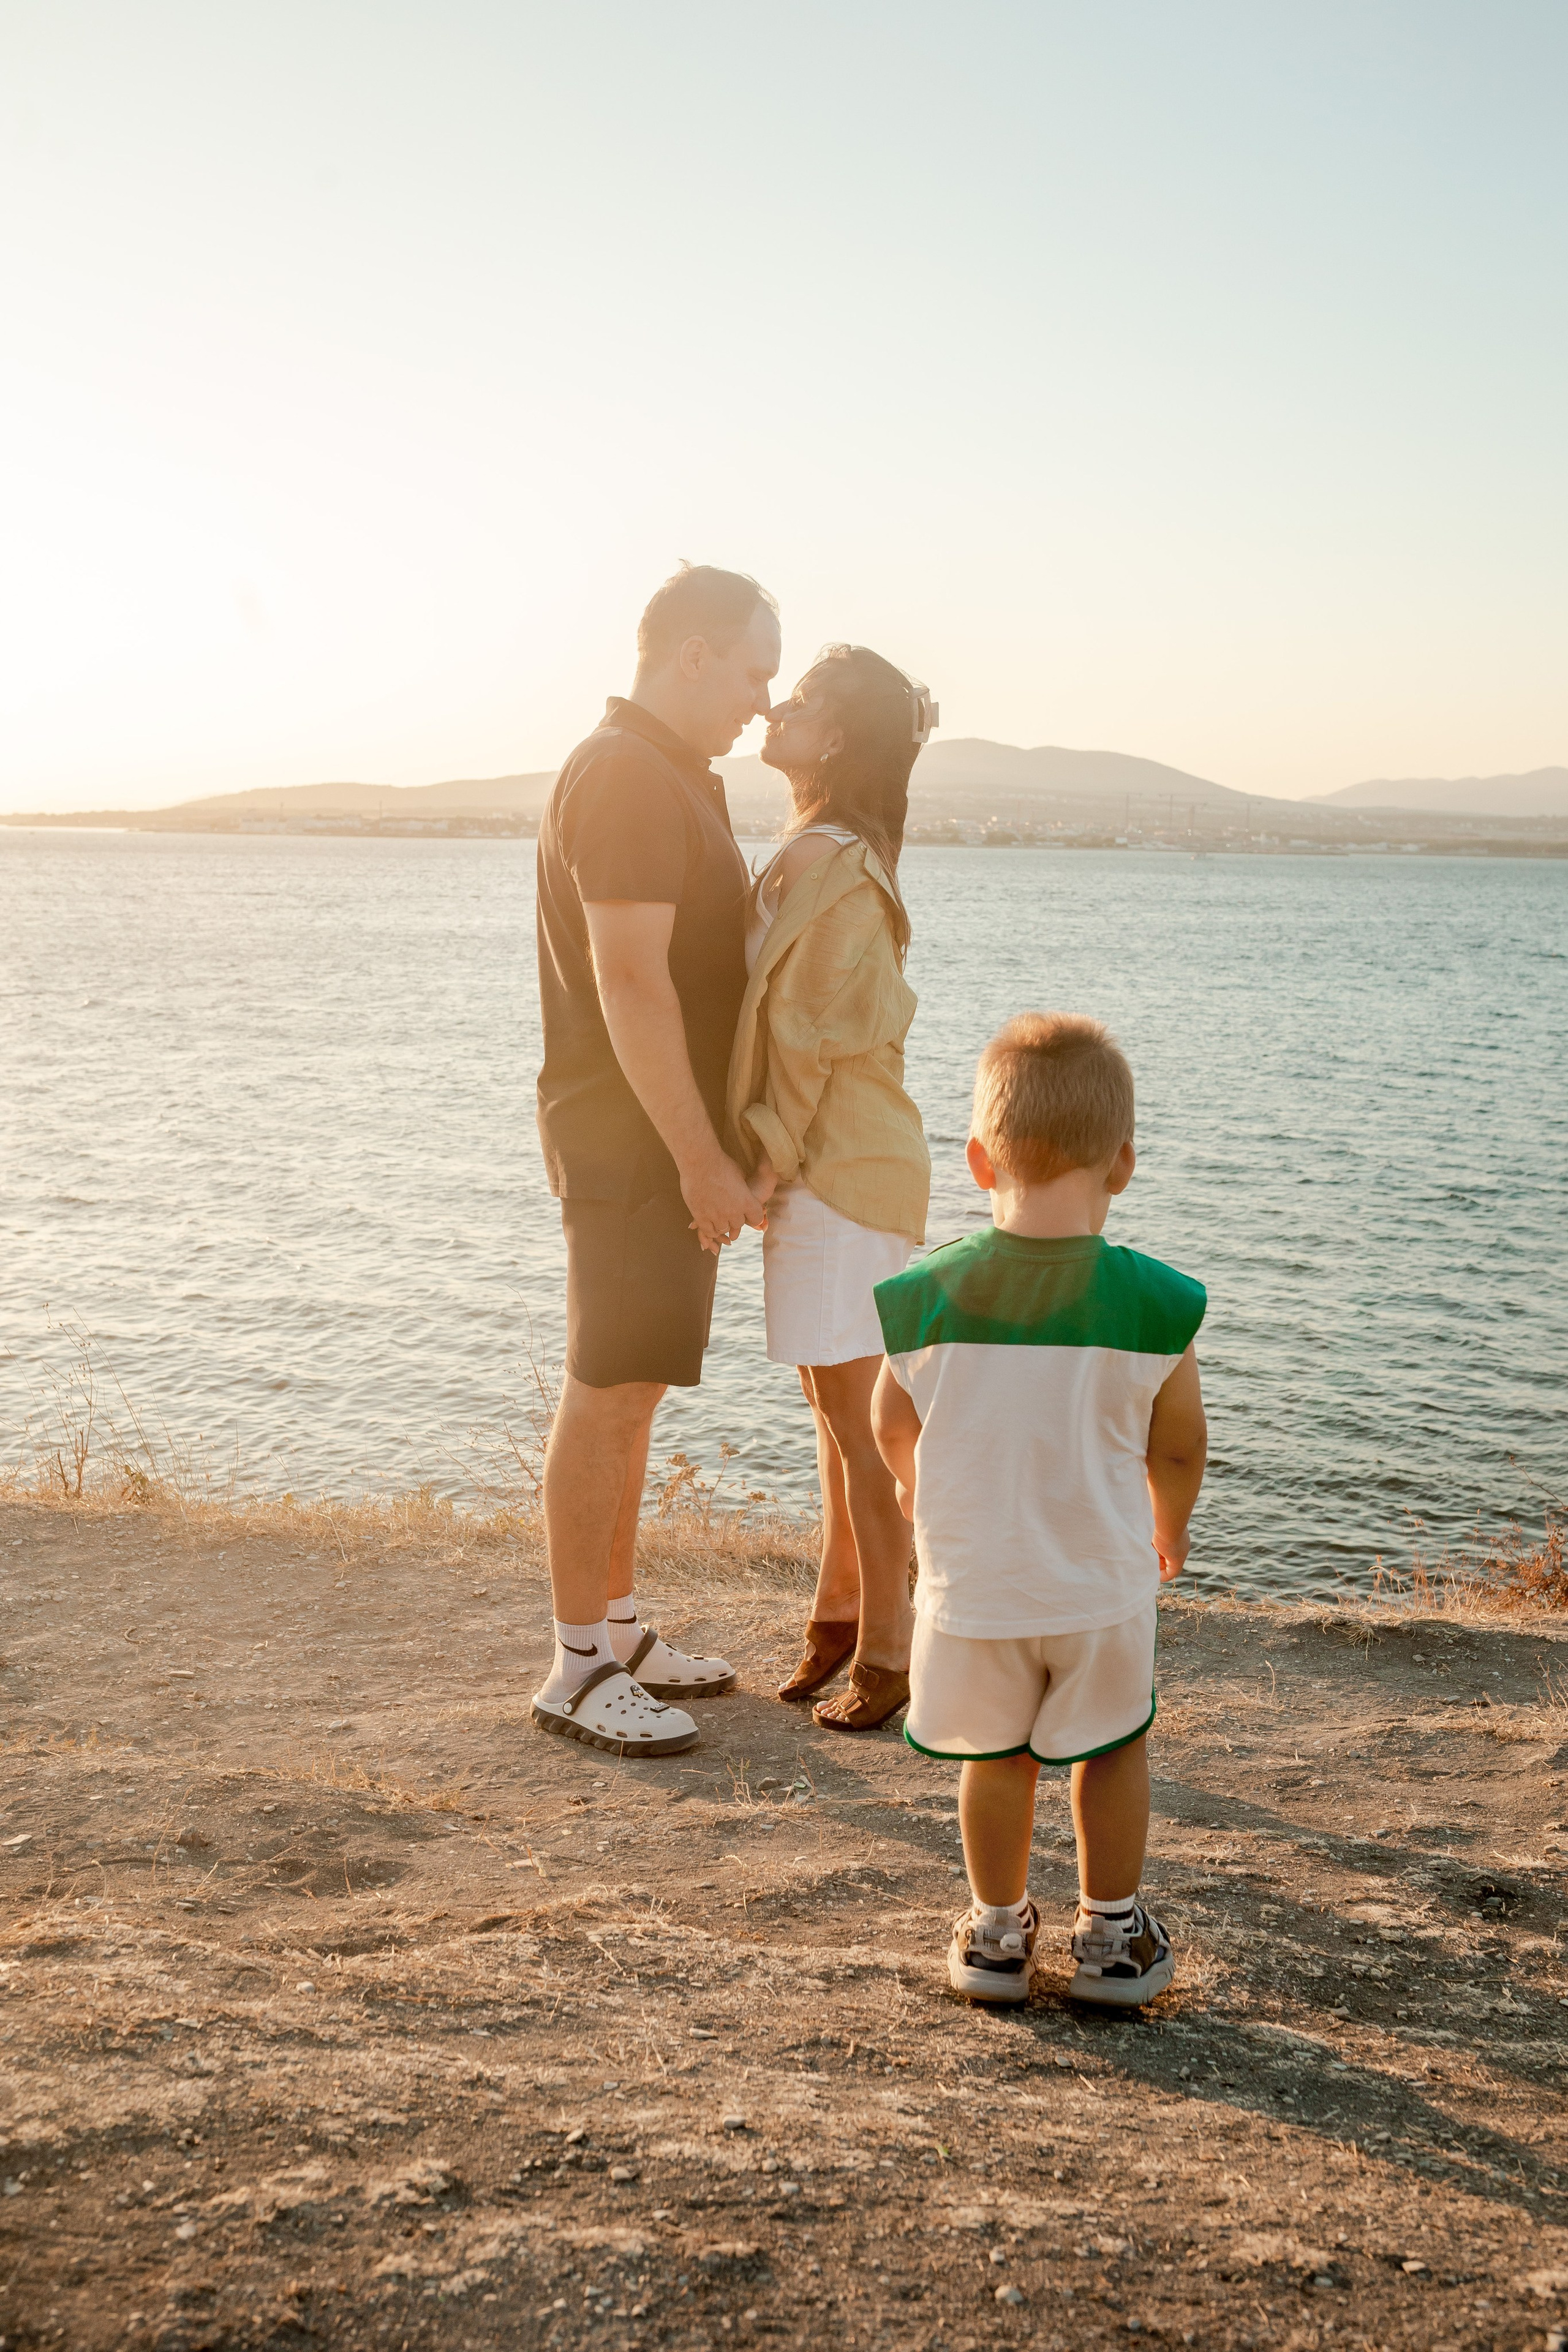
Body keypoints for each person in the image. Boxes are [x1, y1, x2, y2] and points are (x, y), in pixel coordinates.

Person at [870, 1013, 1208, 2003]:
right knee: (1111, 1751)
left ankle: (995, 1935)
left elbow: (890, 1423)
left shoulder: (925, 1294)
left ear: (979, 1160)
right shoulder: (1155, 1302)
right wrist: (1170, 1523)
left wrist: (911, 1485)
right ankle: (1109, 1938)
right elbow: (1179, 1443)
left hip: (976, 1586)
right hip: (1101, 1588)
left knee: (995, 1758)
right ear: (1124, 1164)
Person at [532, 564, 781, 1757]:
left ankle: (618, 1629)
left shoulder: (668, 772)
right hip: (631, 1142)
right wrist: (696, 1157)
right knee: (606, 1387)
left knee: (635, 1390)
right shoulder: (626, 776)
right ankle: (576, 1665)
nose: (760, 702)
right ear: (689, 654)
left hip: (656, 1140)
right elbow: (628, 980)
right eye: (750, 672)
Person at [726, 644, 935, 1733]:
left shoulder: (824, 857)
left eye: (801, 699)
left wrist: (758, 1161)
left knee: (857, 1427)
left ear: (838, 737)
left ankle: (891, 1661)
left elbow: (799, 1033)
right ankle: (841, 1616)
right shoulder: (848, 849)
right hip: (852, 1159)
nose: (777, 707)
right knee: (834, 1412)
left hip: (837, 1164)